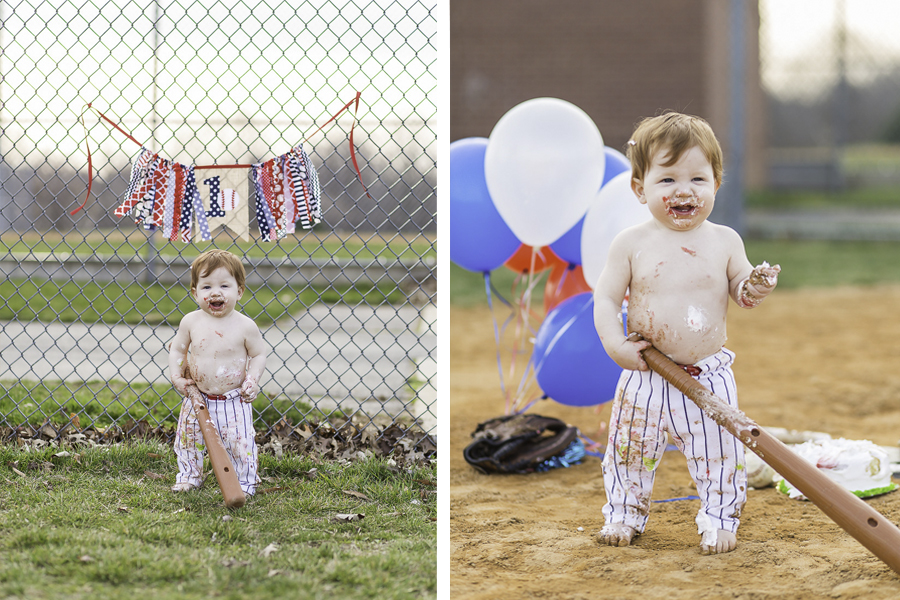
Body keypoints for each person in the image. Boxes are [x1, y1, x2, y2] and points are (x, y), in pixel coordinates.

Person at [592, 112, 780, 554]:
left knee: (720, 455)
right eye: (667, 179)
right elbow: (603, 300)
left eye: (698, 178)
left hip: (707, 377)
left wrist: (755, 285)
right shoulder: (631, 244)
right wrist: (615, 345)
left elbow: (742, 294)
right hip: (646, 374)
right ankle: (624, 513)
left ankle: (718, 518)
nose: (684, 190)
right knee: (629, 451)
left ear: (716, 183)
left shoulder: (726, 241)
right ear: (640, 188)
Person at [168, 248, 267, 495]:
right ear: (195, 293)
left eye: (224, 286)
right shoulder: (191, 321)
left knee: (240, 444)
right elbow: (178, 350)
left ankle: (245, 482)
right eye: (206, 287)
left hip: (234, 399)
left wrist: (252, 380)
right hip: (197, 396)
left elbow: (258, 355)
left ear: (239, 291)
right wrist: (177, 376)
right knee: (188, 440)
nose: (215, 292)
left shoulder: (245, 326)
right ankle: (189, 476)